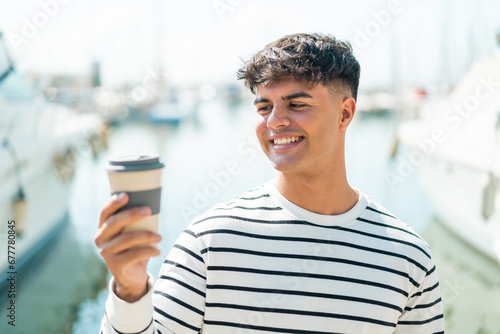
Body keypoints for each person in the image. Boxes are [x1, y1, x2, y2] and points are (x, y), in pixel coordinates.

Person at [95, 33, 444, 333]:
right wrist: (129, 289)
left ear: (345, 113)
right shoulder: (210, 241)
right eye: (264, 107)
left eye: (296, 104)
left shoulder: (409, 258)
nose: (274, 122)